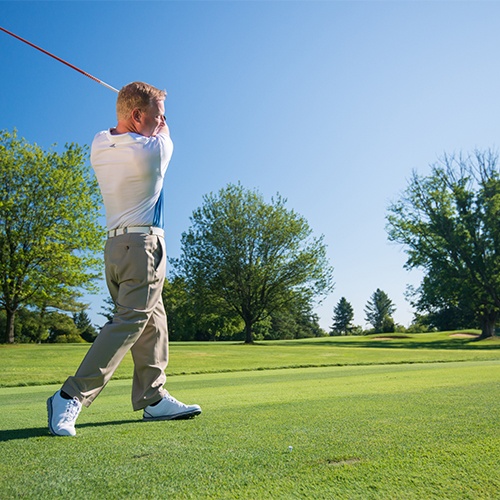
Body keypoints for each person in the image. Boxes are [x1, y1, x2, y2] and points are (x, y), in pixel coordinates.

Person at [47, 81, 201, 437]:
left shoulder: (99, 145)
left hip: (115, 252)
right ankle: (71, 394)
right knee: (130, 323)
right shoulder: (154, 151)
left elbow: (115, 128)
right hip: (143, 247)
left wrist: (143, 105)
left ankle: (153, 397)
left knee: (154, 322)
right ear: (138, 116)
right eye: (159, 116)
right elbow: (164, 134)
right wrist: (156, 116)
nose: (163, 122)